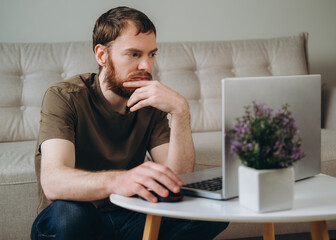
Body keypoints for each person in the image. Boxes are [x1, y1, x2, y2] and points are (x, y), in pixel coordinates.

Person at [31, 6, 228, 240]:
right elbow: (54, 182)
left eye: (151, 54)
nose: (146, 66)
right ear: (102, 55)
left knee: (210, 211)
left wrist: (180, 111)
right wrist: (119, 180)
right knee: (68, 214)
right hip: (80, 219)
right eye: (134, 54)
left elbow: (178, 180)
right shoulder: (65, 96)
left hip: (132, 215)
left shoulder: (150, 102)